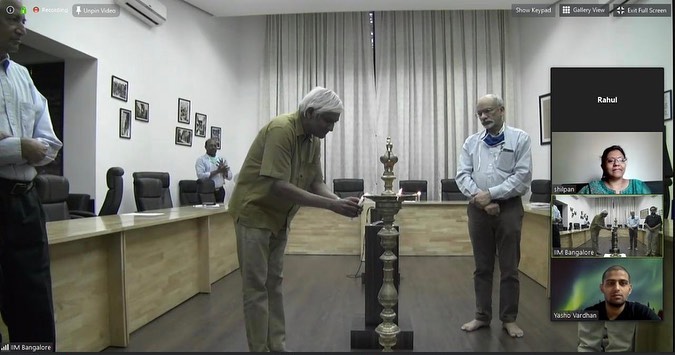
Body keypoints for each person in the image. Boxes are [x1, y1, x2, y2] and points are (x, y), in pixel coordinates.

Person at [228, 87, 361, 351]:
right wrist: (331, 206)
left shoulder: (313, 140)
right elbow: (277, 185)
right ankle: (259, 350)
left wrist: (338, 202)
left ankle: (277, 347)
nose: (331, 129)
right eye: (328, 121)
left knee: (273, 284)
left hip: (279, 217)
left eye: (334, 122)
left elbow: (316, 182)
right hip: (255, 213)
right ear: (310, 112)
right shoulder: (282, 130)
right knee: (256, 288)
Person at [0, 0, 62, 346]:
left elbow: (50, 144)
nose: (22, 28)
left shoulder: (23, 76)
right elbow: (33, 148)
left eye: (24, 20)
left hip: (25, 204)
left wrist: (14, 143)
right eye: (12, 20)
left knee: (34, 307)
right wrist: (20, 147)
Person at [456, 94, 532, 338]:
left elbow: (521, 177)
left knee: (509, 266)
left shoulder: (520, 138)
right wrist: (481, 199)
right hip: (478, 209)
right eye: (479, 113)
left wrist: (491, 194)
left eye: (488, 111)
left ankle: (509, 319)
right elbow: (462, 175)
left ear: (501, 110)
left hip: (508, 208)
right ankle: (481, 316)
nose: (483, 117)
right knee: (482, 266)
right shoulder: (471, 142)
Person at [582, 265, 660, 320]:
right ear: (602, 288)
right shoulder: (589, 313)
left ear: (630, 289)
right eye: (610, 283)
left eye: (623, 283)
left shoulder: (643, 313)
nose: (617, 288)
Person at [578, 145, 651, 195]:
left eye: (621, 160)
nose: (616, 163)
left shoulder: (638, 186)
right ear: (603, 166)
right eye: (610, 161)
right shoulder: (591, 188)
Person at [195, 138, 232, 202]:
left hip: (220, 191)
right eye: (211, 145)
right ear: (206, 147)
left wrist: (224, 171)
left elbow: (230, 177)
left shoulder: (221, 159)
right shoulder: (201, 160)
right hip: (207, 192)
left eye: (215, 146)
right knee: (209, 212)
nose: (213, 147)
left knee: (220, 211)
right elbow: (201, 176)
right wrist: (217, 171)